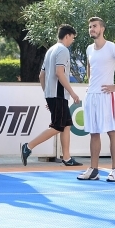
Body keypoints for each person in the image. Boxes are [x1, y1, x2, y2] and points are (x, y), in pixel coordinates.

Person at [77, 17, 115, 182]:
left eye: (94, 26)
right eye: (89, 27)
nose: (91, 29)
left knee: (111, 131)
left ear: (102, 28)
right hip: (91, 96)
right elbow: (90, 66)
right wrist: (90, 82)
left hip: (105, 96)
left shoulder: (112, 48)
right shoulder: (89, 49)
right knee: (94, 133)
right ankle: (94, 169)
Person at [21, 24, 82, 167]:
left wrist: (47, 94)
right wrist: (72, 93)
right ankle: (28, 146)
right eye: (72, 38)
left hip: (52, 94)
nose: (72, 41)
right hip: (59, 94)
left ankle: (66, 158)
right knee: (58, 126)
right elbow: (59, 73)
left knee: (66, 125)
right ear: (67, 36)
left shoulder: (50, 50)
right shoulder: (63, 50)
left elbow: (41, 75)